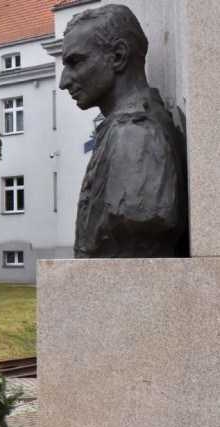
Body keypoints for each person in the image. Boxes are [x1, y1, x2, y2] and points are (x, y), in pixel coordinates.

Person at [59, 4, 188, 258]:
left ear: (118, 56)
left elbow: (141, 214)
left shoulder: (136, 135)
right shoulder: (120, 130)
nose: (63, 82)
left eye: (76, 62)